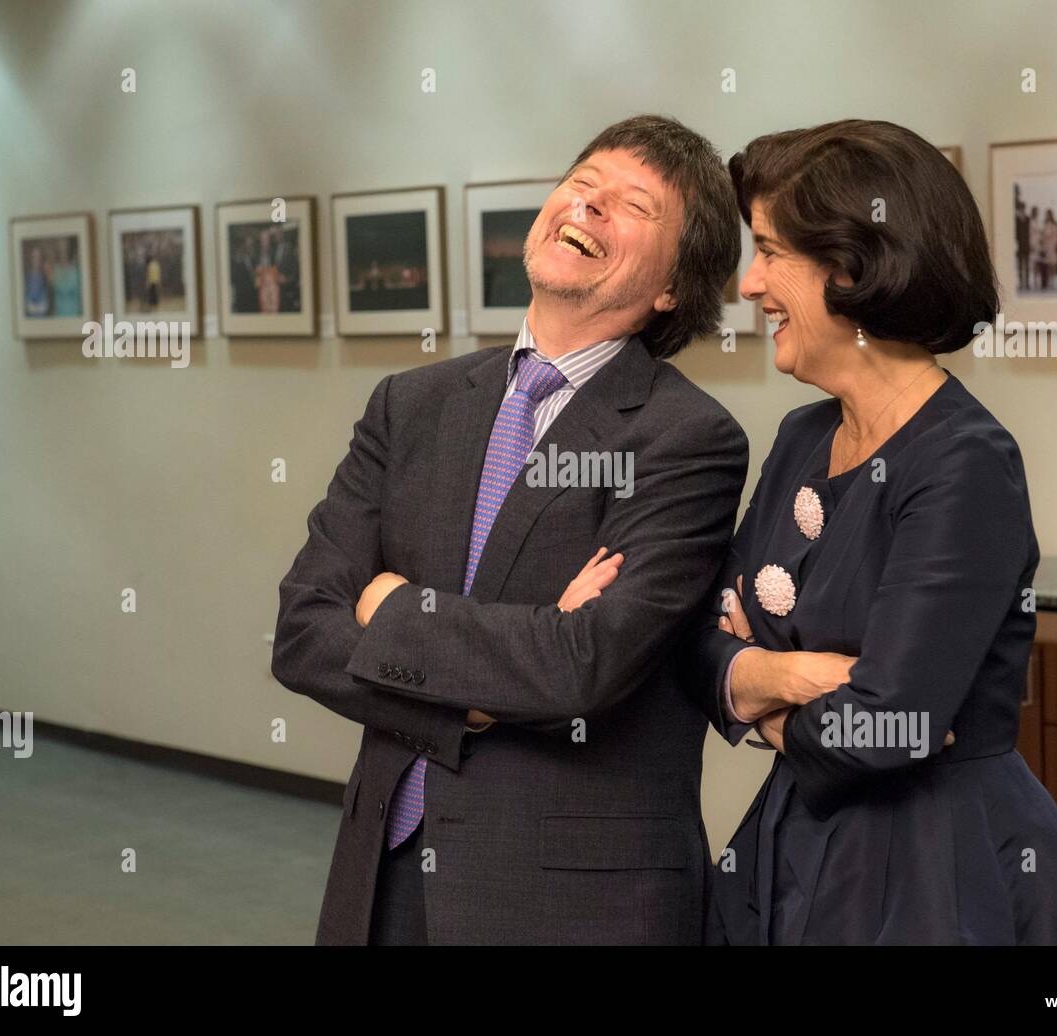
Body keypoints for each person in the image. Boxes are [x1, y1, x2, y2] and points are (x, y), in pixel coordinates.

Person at [272, 114, 748, 945]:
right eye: (583, 181)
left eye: (633, 203)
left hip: (566, 902)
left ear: (674, 286)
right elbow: (304, 629)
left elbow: (585, 664)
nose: (590, 204)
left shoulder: (685, 439)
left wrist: (389, 608)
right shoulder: (410, 405)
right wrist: (477, 708)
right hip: (383, 871)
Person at [677, 119, 1057, 945]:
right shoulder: (803, 436)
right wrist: (800, 676)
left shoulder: (965, 462)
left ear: (848, 266)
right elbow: (697, 642)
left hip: (933, 865)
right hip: (796, 844)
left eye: (767, 250)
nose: (749, 283)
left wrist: (764, 689)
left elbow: (889, 727)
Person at [1014, 200, 1030, 291]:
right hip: (1020, 245)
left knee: (1026, 264)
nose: (1022, 210)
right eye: (1021, 208)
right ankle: (1021, 283)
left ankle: (1027, 283)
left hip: (1026, 244)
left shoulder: (1027, 219)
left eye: (1023, 208)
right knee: (1020, 265)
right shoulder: (1016, 219)